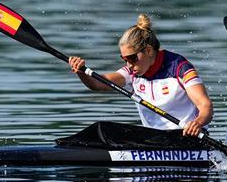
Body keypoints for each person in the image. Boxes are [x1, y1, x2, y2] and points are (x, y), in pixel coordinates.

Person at [68, 14, 212, 138]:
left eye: (131, 58)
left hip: (188, 138)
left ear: (149, 51)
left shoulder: (180, 68)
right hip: (154, 139)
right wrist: (82, 72)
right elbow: (98, 84)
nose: (129, 64)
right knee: (104, 129)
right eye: (124, 59)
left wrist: (197, 123)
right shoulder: (132, 72)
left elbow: (205, 106)